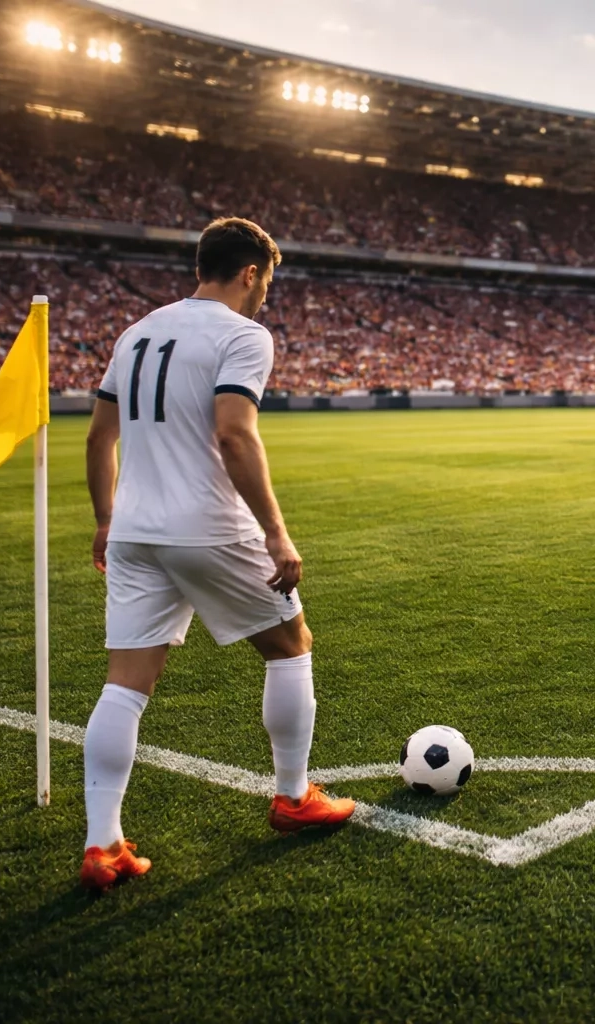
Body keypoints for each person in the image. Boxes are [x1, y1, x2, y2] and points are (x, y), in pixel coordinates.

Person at [80, 217, 355, 891]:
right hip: (207, 525)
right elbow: (236, 435)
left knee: (126, 682)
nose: (266, 295)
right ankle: (293, 796)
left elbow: (98, 437)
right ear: (250, 272)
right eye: (269, 281)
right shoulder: (243, 334)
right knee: (291, 644)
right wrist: (277, 532)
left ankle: (102, 844)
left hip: (136, 532)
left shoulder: (137, 331)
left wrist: (106, 519)